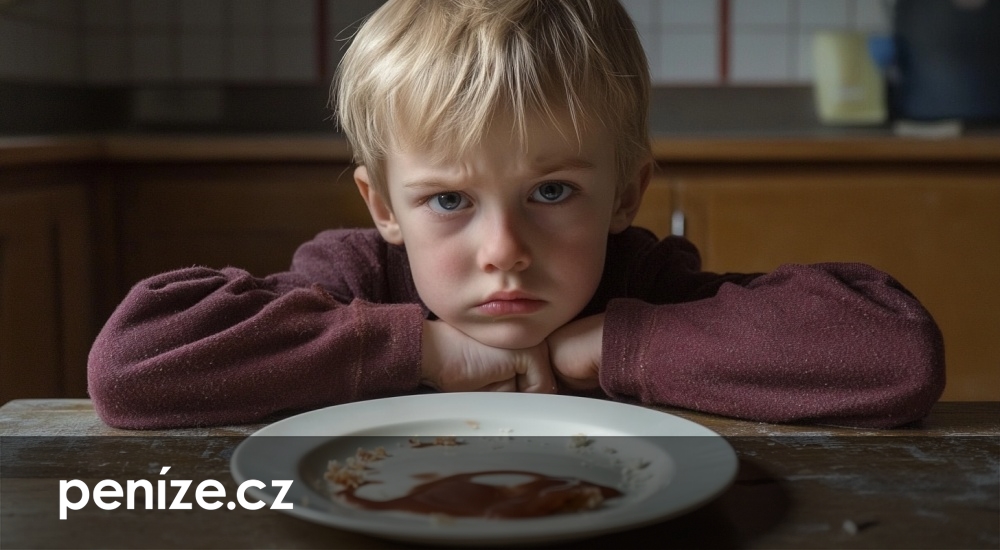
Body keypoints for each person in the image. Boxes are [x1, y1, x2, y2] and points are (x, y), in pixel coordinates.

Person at [88, 0, 944, 430]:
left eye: (551, 192)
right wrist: (426, 351)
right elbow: (133, 364)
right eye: (449, 201)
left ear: (625, 195)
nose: (505, 251)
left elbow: (893, 350)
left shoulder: (639, 281)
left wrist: (605, 345)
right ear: (384, 206)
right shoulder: (355, 281)